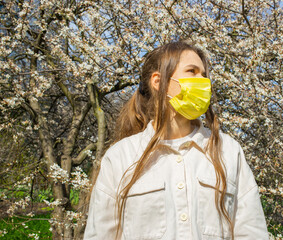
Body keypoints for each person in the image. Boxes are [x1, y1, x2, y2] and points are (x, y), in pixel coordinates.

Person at [84, 41, 269, 240]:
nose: (203, 81)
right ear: (158, 81)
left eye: (204, 75)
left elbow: (252, 232)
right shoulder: (121, 156)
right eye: (192, 71)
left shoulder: (228, 151)